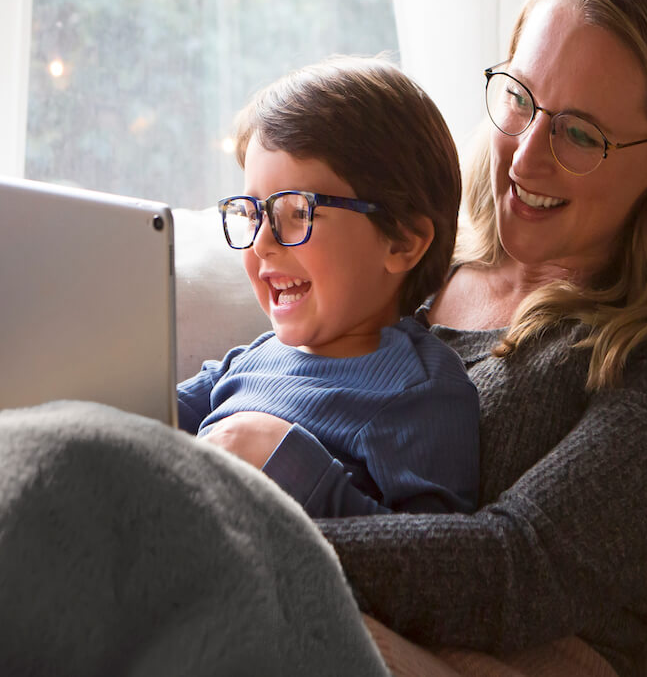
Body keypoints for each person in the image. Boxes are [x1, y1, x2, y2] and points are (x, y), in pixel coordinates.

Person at [0, 0, 647, 677]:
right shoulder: (405, 272)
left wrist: (210, 514)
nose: (524, 158)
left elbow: (518, 571)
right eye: (518, 100)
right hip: (290, 589)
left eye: (581, 134)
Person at [177, 57, 479, 517]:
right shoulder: (251, 359)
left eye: (298, 211)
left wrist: (290, 462)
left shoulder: (420, 390)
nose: (262, 243)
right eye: (252, 212)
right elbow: (146, 412)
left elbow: (433, 561)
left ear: (401, 241)